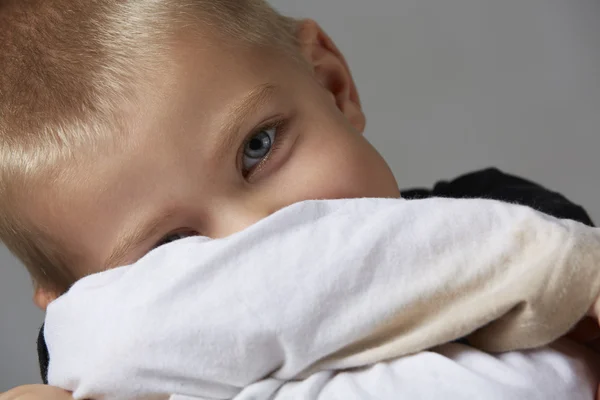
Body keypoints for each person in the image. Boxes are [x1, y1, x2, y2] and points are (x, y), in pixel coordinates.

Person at [0, 0, 599, 398]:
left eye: (258, 147)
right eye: (172, 245)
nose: (261, 232)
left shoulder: (501, 227)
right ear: (78, 302)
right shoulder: (109, 375)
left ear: (333, 87)